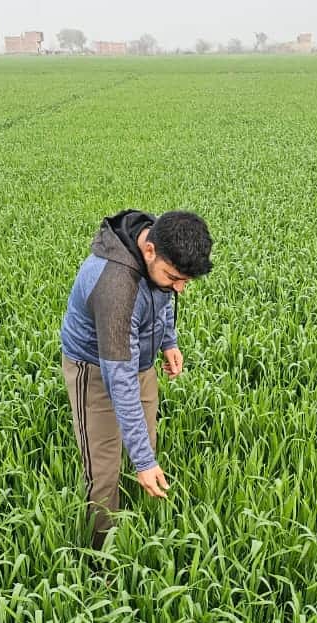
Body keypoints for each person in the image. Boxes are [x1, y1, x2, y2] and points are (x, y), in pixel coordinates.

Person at [60, 209, 213, 549]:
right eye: (175, 277)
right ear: (149, 252)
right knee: (103, 469)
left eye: (185, 281)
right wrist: (143, 462)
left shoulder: (160, 242)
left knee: (146, 438)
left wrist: (169, 341)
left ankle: (141, 521)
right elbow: (120, 379)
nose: (180, 289)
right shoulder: (116, 288)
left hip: (138, 358)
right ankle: (102, 557)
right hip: (95, 368)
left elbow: (163, 299)